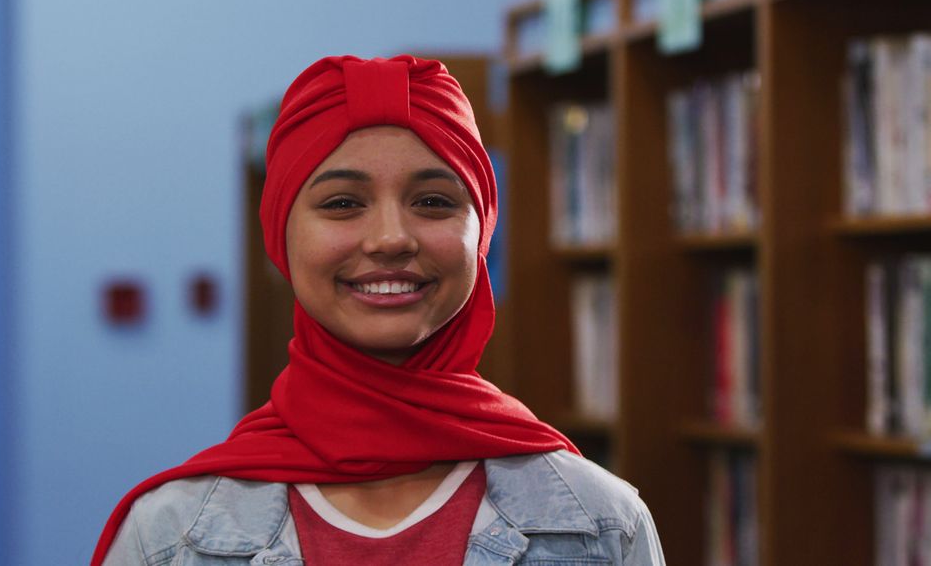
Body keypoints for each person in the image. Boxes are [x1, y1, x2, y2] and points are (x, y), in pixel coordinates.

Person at [92, 55, 665, 566]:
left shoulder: (603, 525)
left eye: (434, 201)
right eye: (343, 203)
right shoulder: (169, 537)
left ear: (483, 231)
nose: (391, 238)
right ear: (280, 238)